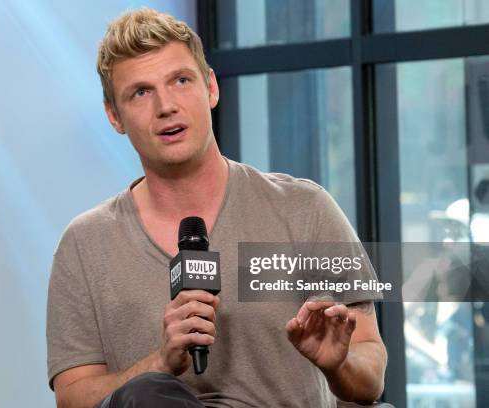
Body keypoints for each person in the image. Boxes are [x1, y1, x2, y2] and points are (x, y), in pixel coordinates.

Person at [47, 8, 387, 408]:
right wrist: (159, 362)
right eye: (140, 92)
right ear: (114, 116)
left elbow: (371, 374)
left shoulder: (303, 209)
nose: (166, 106)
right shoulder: (85, 244)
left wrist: (338, 364)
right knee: (145, 392)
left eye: (180, 81)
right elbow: (73, 397)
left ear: (210, 87)